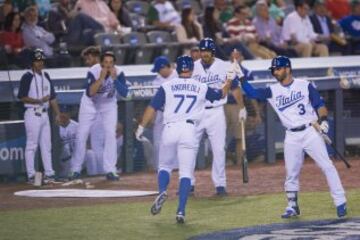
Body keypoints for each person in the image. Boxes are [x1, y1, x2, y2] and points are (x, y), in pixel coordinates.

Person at [240, 55, 347, 218]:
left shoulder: (305, 85)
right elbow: (253, 93)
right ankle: (292, 206)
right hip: (291, 135)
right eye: (274, 69)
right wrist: (240, 77)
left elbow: (320, 105)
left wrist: (324, 121)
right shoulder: (272, 90)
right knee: (291, 172)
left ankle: (340, 202)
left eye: (278, 68)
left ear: (287, 69)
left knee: (327, 166)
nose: (275, 72)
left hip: (310, 131)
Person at [135, 55, 232, 224]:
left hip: (170, 128)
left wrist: (141, 126)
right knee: (186, 173)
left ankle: (162, 190)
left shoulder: (166, 86)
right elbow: (221, 94)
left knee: (164, 166)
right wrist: (229, 80)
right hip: (189, 130)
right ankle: (180, 211)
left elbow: (152, 107)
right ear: (192, 70)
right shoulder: (201, 86)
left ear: (177, 68)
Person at [192, 38, 247, 196]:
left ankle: (220, 185)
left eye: (207, 51)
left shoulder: (224, 66)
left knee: (218, 149)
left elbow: (235, 88)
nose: (205, 54)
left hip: (216, 111)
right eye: (202, 51)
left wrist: (241, 107)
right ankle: (188, 183)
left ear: (213, 52)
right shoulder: (192, 67)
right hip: (197, 111)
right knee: (191, 148)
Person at [69, 51, 129, 181]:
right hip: (90, 104)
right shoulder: (94, 71)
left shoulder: (119, 72)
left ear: (114, 64)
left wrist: (115, 80)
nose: (108, 65)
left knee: (110, 134)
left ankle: (110, 170)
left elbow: (125, 93)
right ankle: (75, 169)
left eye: (111, 63)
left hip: (108, 105)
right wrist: (101, 78)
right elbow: (90, 92)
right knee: (82, 134)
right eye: (105, 62)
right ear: (101, 63)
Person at [17, 48, 61, 184]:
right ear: (32, 62)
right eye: (37, 61)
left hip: (44, 115)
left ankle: (49, 174)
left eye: (41, 60)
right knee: (32, 145)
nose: (40, 63)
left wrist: (58, 114)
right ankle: (31, 175)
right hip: (32, 112)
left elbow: (52, 98)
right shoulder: (27, 76)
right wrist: (38, 100)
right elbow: (22, 97)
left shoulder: (46, 76)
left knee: (46, 145)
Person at [150, 56, 178, 170]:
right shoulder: (157, 80)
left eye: (159, 69)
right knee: (158, 142)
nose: (158, 72)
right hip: (161, 113)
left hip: (176, 114)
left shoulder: (178, 76)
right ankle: (160, 166)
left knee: (175, 141)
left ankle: (176, 167)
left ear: (166, 67)